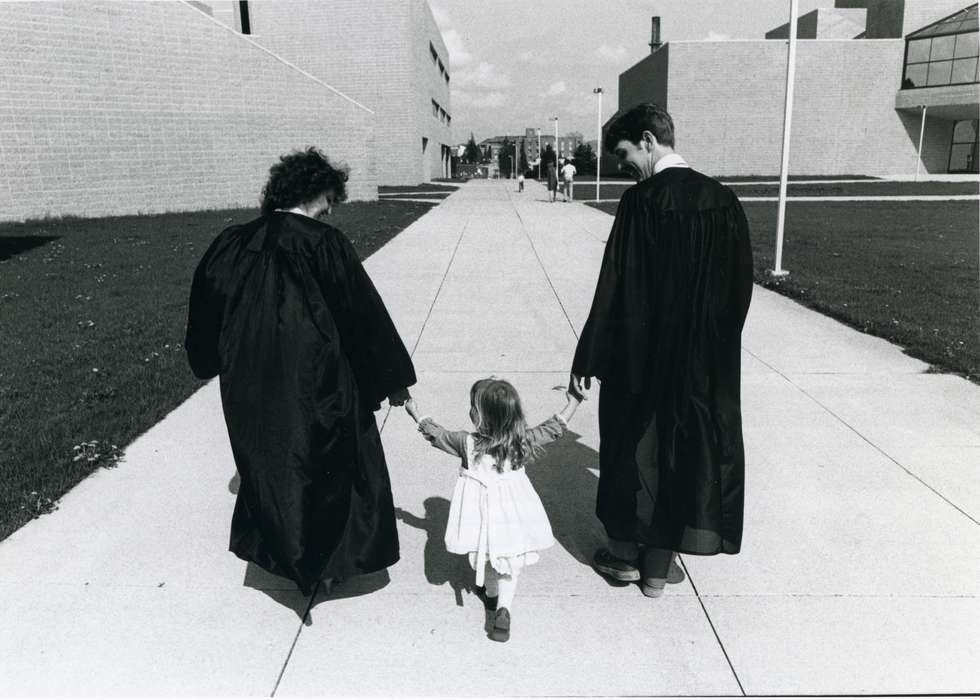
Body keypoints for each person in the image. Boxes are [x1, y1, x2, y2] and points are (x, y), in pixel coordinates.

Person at [185, 147, 416, 596]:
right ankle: (322, 565)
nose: (332, 209)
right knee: (326, 466)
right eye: (332, 198)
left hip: (249, 380)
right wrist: (389, 379)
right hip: (318, 380)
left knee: (270, 465)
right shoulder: (323, 243)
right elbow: (360, 316)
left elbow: (206, 305)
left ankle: (288, 559)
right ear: (317, 191)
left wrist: (210, 359)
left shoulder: (231, 241)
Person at [569, 104, 753, 598]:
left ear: (649, 141)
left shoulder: (639, 203)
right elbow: (739, 292)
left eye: (626, 153)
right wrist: (714, 350)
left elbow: (615, 286)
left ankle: (626, 557)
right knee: (684, 452)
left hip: (639, 357)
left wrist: (589, 356)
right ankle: (657, 570)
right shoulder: (724, 201)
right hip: (700, 361)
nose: (625, 164)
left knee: (633, 448)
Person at [404, 379, 582, 642]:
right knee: (508, 560)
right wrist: (573, 402)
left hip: (480, 514)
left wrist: (415, 412)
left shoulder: (466, 443)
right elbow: (553, 429)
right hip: (512, 514)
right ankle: (504, 609)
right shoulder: (521, 441)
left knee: (486, 553)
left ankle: (490, 595)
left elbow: (436, 434)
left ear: (479, 415)